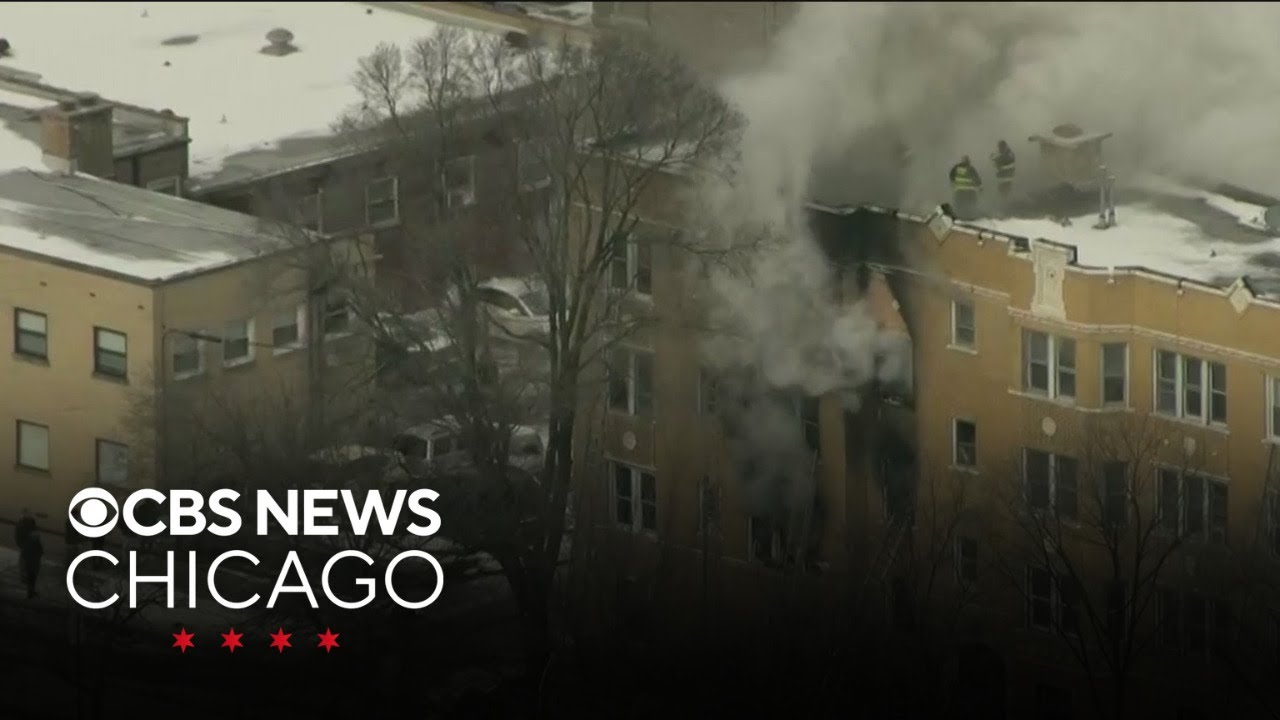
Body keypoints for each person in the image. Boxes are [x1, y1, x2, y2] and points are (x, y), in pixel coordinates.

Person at [19, 525, 43, 599]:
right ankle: (30, 593)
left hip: (33, 563)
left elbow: (40, 551)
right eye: (37, 533)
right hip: (31, 564)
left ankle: (31, 592)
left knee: (33, 579)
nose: (38, 534)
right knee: (31, 579)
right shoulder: (31, 542)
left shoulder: (34, 541)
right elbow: (25, 554)